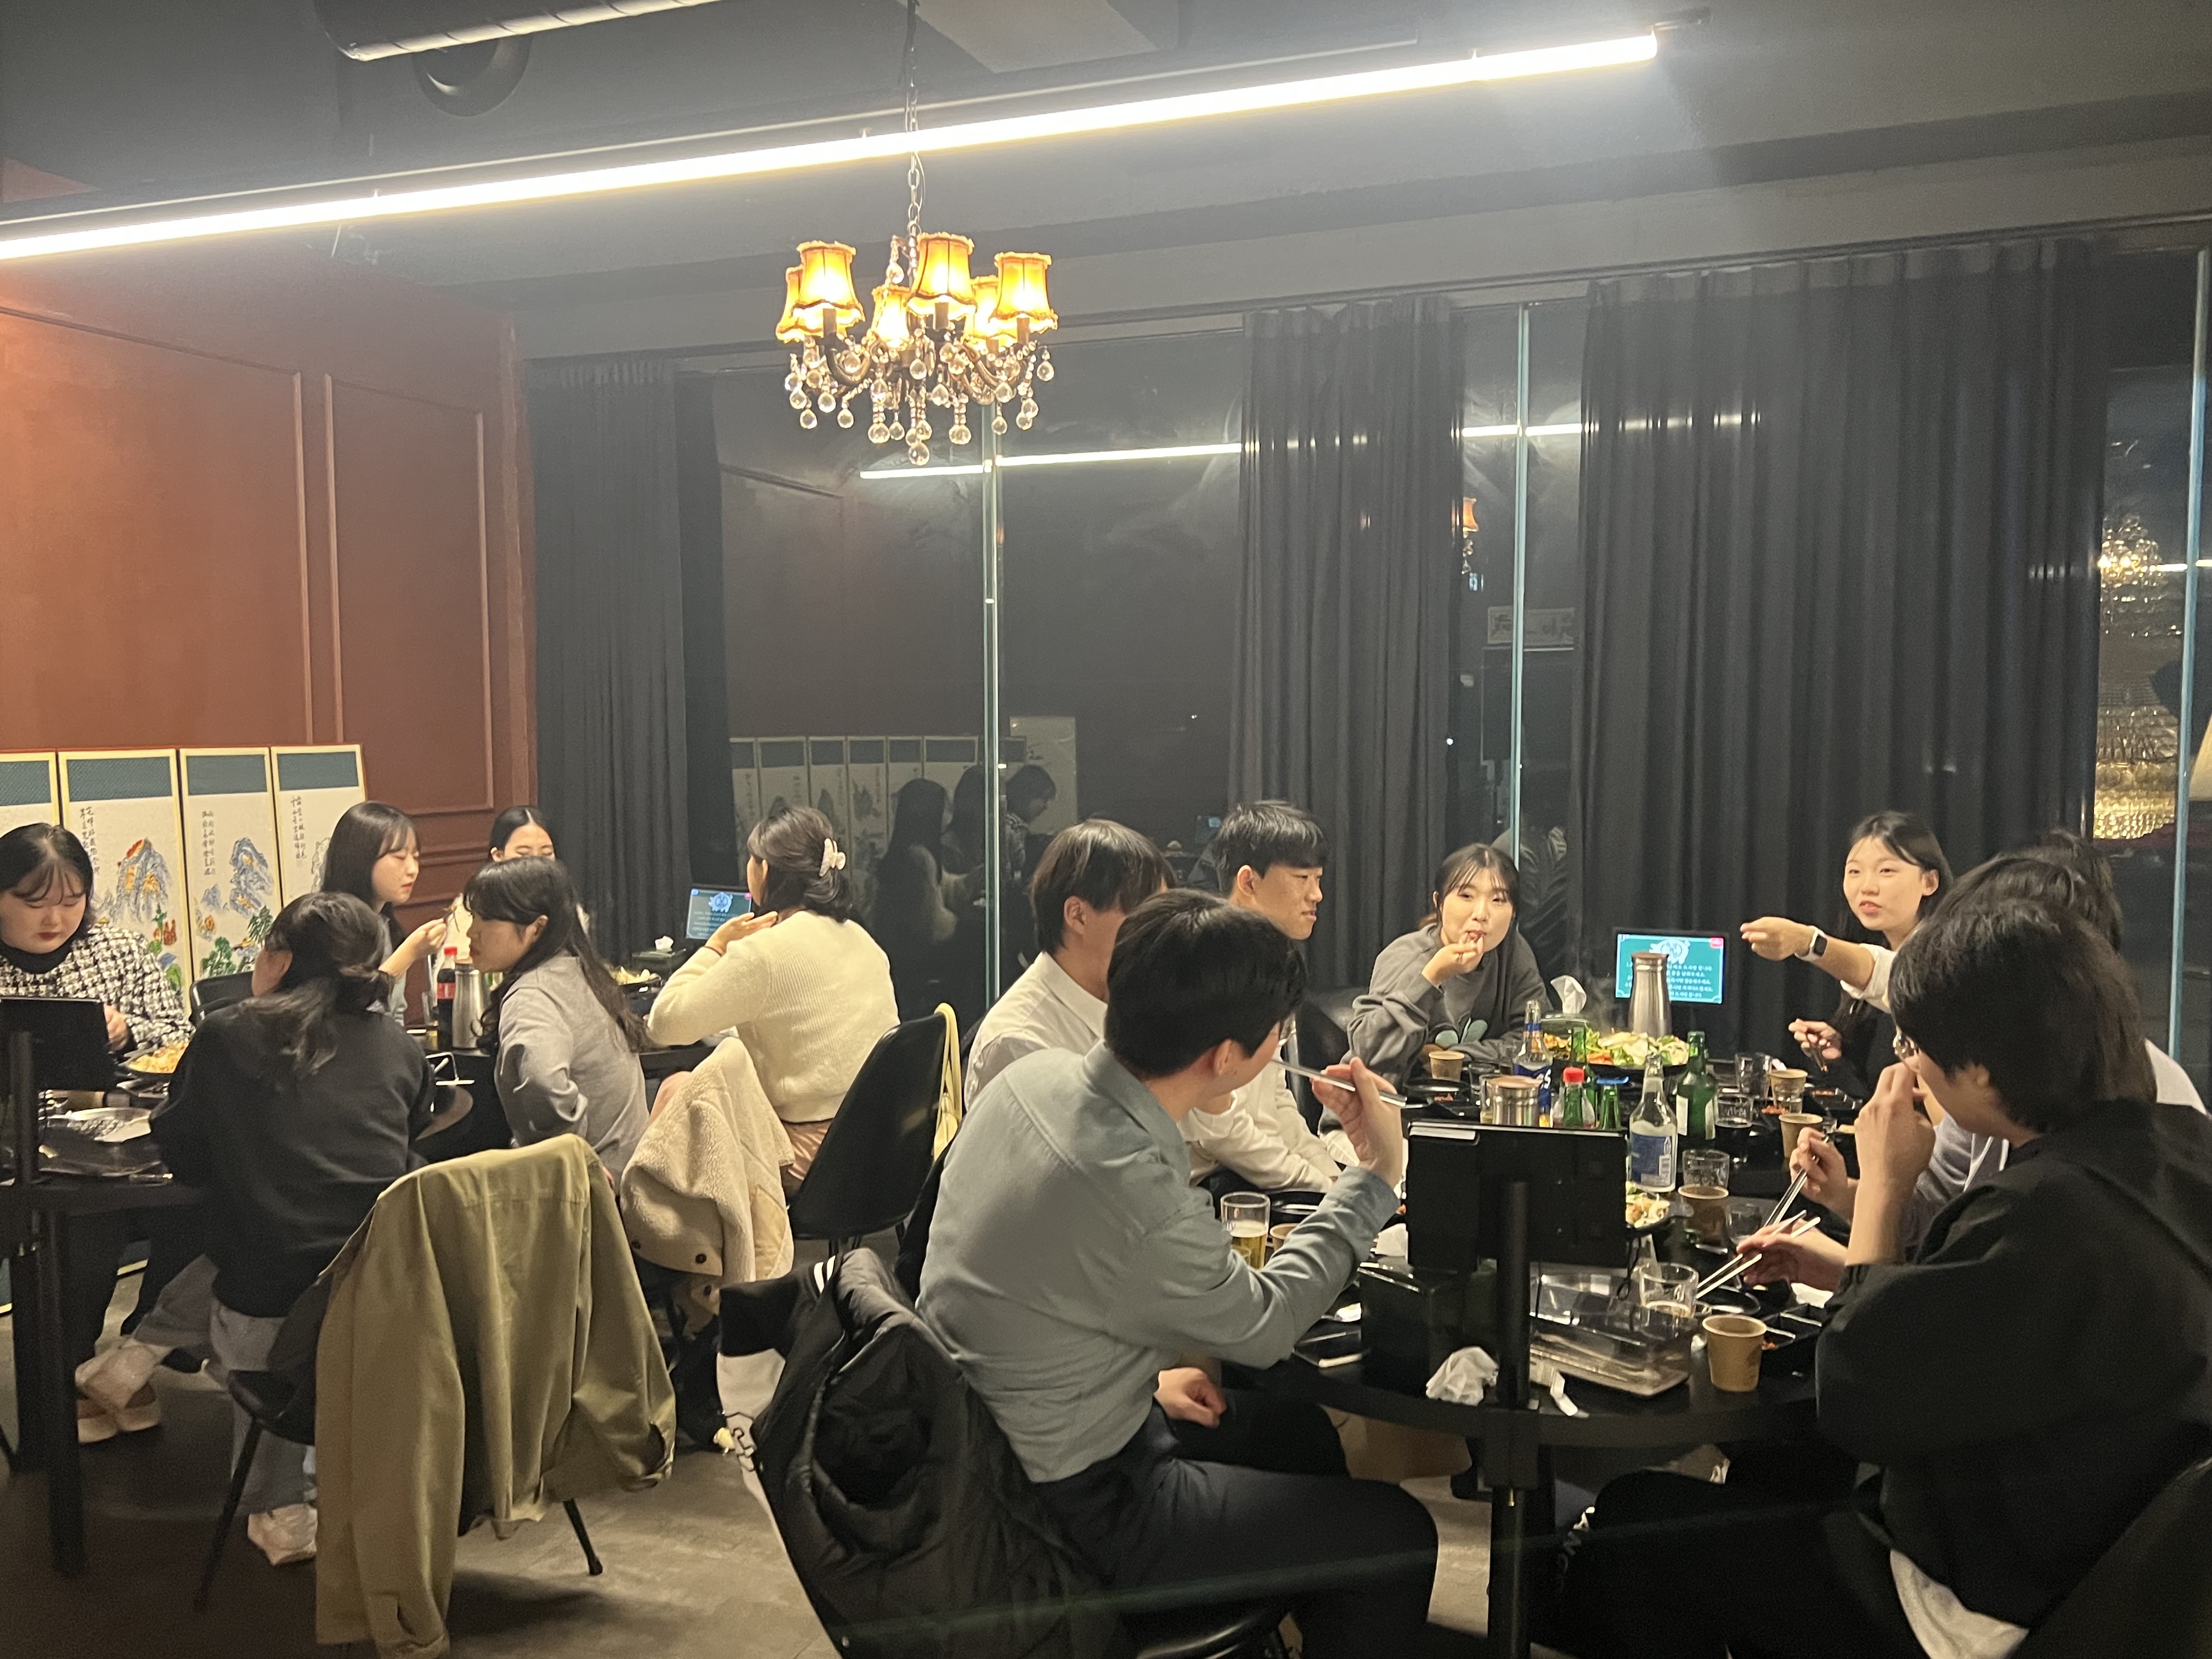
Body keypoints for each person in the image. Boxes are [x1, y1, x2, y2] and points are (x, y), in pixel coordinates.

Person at [1556, 898, 2212, 1659]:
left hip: (1980, 1608)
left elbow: (1856, 1397)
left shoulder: (2049, 1213)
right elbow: (2002, 1326)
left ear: (1980, 1069)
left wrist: (1884, 1188)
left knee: (1637, 1519)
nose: (1907, 1064)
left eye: (1914, 1042)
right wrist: (1853, 1268)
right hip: (2112, 1573)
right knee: (1789, 1466)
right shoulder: (2179, 1154)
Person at [921, 890, 1437, 1655]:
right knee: (1395, 1536)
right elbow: (1265, 1325)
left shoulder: (1034, 1082)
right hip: (1070, 1503)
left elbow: (1014, 1282)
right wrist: (1375, 1175)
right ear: (1226, 1057)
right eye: (1277, 1030)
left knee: (1298, 1434)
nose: (1280, 1042)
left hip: (987, 1439)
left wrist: (1140, 1382)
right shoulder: (1129, 1184)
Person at [1743, 832, 2207, 1286]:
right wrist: (1850, 1203)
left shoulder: (2072, 1188)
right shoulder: (2011, 1087)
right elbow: (1944, 1229)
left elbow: (1876, 1337)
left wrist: (1882, 1185)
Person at [149, 891, 436, 1566]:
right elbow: (411, 1135)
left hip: (272, 1304)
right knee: (277, 1242)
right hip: (386, 1297)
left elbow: (184, 1152)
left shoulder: (225, 1034)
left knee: (248, 1245)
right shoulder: (398, 1045)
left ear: (278, 960)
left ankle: (275, 1504)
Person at [1, 824, 199, 1441]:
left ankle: (138, 1348)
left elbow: (179, 1033)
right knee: (85, 1225)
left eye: (72, 900)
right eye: (35, 902)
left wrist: (128, 1029)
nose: (56, 918)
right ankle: (68, 1371)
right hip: (18, 1155)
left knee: (202, 1204)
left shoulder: (114, 948)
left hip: (124, 1139)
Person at [648, 806, 896, 1189]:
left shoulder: (763, 953)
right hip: (881, 1144)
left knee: (676, 1089)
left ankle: (646, 1222)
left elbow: (664, 1023)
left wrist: (716, 946)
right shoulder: (862, 939)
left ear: (763, 871)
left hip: (812, 1158)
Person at [1183, 801, 1348, 1193]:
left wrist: (1331, 1176)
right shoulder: (1212, 968)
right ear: (1249, 882)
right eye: (1302, 878)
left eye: (1318, 878)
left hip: (1261, 1171)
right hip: (1206, 1185)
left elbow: (1276, 1101)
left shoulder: (1271, 963)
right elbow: (1219, 1129)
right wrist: (1319, 1184)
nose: (1317, 894)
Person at [1740, 810, 1950, 1100]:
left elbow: (1893, 973)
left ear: (1929, 882)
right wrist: (1839, 1056)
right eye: (1855, 872)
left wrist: (1808, 942)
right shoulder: (1867, 951)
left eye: (1886, 871)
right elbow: (1869, 1094)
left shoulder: (1947, 956)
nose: (1867, 886)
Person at [464, 856, 650, 1180]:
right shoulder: (578, 970)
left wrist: (576, 1157)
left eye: (486, 919)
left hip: (595, 1192)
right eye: (473, 917)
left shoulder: (532, 995)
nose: (472, 932)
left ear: (536, 928)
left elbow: (542, 1080)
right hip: (630, 1173)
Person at [965, 818, 1172, 1098]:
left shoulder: (1129, 1000)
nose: (1160, 935)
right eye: (1146, 919)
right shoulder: (1020, 1042)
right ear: (1078, 915)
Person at [1347, 842, 1549, 1081]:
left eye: (1498, 900)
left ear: (1513, 911)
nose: (1481, 914)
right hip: (1391, 1098)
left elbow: (1536, 1040)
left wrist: (1456, 1056)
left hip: (1478, 1099)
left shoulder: (1512, 952)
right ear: (1439, 902)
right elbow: (1369, 1052)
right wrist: (1433, 975)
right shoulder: (1407, 955)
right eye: (1466, 896)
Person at [319, 801, 446, 1008]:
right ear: (361, 859)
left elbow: (395, 1011)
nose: (413, 869)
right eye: (400, 857)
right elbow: (356, 1012)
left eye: (415, 857)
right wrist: (410, 952)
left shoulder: (384, 924)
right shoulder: (328, 927)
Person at [872, 777, 969, 1021]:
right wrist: (963, 923)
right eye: (945, 807)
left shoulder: (913, 852)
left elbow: (942, 887)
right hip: (915, 957)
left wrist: (973, 880)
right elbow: (932, 925)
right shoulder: (917, 859)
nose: (950, 814)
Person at [443, 805, 558, 963]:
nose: (536, 864)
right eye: (524, 854)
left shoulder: (563, 903)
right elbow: (458, 967)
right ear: (498, 855)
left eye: (546, 854)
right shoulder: (472, 907)